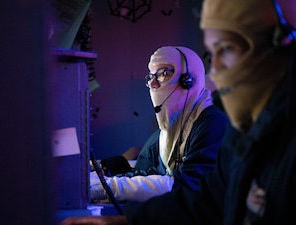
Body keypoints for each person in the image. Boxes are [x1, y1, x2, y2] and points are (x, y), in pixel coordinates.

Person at [60, 0, 296, 224]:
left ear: (285, 44)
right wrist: (127, 221)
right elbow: (207, 200)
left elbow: (186, 186)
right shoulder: (242, 132)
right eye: (212, 54)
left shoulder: (214, 122)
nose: (216, 69)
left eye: (226, 49)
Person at [90, 46, 228, 202]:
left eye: (163, 74)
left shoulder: (212, 125)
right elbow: (146, 175)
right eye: (151, 77)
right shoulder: (163, 136)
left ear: (188, 80)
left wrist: (110, 188)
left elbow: (188, 186)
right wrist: (98, 183)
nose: (153, 84)